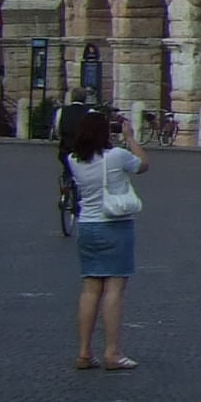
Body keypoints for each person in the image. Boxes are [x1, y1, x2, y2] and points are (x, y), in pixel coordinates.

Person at [66, 106, 143, 370]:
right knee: (114, 290)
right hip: (115, 226)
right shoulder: (117, 156)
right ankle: (112, 352)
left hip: (87, 226)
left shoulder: (73, 159)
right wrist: (130, 138)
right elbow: (143, 165)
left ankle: (84, 352)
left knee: (90, 289)